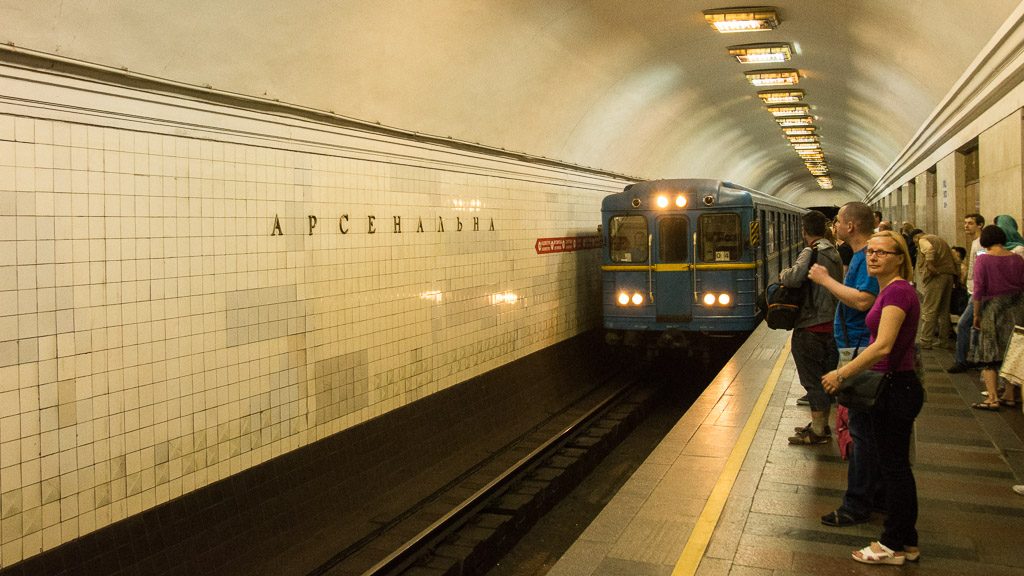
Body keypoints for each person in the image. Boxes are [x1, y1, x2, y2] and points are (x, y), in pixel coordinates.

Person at [822, 230, 922, 565]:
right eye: (871, 252)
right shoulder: (891, 291)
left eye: (883, 252)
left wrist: (842, 374)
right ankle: (907, 542)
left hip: (894, 387)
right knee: (893, 465)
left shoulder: (896, 293)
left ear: (899, 258)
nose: (873, 257)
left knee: (894, 469)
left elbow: (883, 345)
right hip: (895, 385)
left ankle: (891, 543)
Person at [809, 201, 880, 528]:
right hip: (854, 346)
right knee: (862, 429)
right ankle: (872, 494)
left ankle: (857, 503)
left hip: (860, 350)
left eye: (837, 221)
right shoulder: (859, 256)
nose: (834, 225)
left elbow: (863, 301)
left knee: (861, 430)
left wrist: (825, 280)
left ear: (850, 226)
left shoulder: (866, 257)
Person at [780, 211, 843, 444]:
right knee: (825, 378)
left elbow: (794, 278)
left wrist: (784, 274)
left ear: (804, 230)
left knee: (812, 381)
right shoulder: (833, 250)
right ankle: (820, 425)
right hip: (831, 324)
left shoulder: (812, 250)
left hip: (811, 324)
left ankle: (818, 432)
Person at [969, 225, 1024, 410]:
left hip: (992, 309)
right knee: (1012, 351)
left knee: (989, 353)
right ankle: (1009, 394)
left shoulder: (983, 261)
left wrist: (976, 314)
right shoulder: (1017, 259)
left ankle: (992, 398)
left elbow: (978, 290)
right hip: (1016, 309)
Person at [948, 213, 985, 373]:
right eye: (965, 222)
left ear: (980, 225)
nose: (966, 226)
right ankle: (974, 357)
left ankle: (961, 360)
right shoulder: (975, 242)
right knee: (973, 326)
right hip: (972, 287)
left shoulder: (981, 244)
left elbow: (981, 269)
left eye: (970, 223)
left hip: (978, 290)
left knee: (964, 324)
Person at [911, 230, 958, 349]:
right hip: (948, 275)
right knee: (944, 310)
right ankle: (943, 341)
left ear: (916, 238)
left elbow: (929, 250)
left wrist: (930, 266)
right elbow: (955, 258)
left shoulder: (923, 240)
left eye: (915, 243)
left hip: (936, 277)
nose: (917, 245)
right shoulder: (940, 239)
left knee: (929, 308)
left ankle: (926, 341)